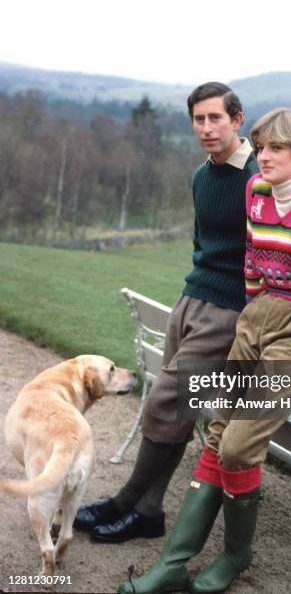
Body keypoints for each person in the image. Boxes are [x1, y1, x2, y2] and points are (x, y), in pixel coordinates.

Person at [117, 107, 291, 593]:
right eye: (261, 147)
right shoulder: (256, 191)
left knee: (240, 445)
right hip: (257, 316)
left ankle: (236, 553)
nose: (263, 157)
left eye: (276, 148)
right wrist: (249, 315)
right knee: (219, 426)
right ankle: (174, 564)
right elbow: (252, 258)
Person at [74, 82, 259, 543]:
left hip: (229, 312)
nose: (206, 127)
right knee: (176, 410)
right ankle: (149, 513)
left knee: (166, 402)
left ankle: (124, 502)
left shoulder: (259, 177)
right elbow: (203, 245)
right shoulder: (202, 177)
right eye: (198, 119)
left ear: (237, 119)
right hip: (192, 300)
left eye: (216, 117)